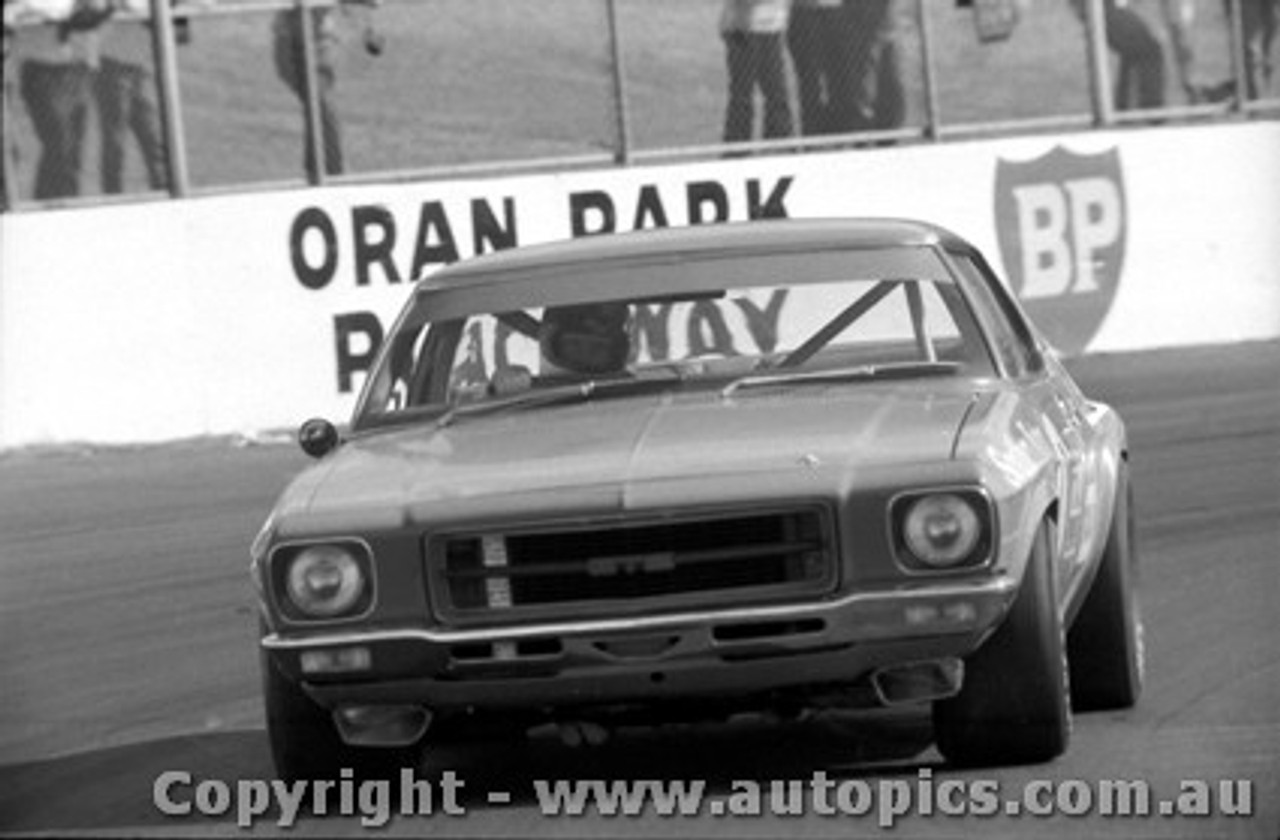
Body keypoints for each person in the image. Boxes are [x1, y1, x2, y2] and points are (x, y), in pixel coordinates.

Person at [9, 0, 111, 199]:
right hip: (42, 70)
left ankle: (66, 208)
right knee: (59, 143)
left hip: (80, 67)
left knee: (74, 149)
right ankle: (48, 207)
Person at [271, 0, 382, 179]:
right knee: (317, 107)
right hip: (292, 41)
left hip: (316, 42)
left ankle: (328, 172)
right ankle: (325, 172)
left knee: (319, 106)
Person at [94, 0, 175, 194]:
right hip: (112, 67)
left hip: (141, 68)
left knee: (154, 135)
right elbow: (131, 6)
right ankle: (113, 196)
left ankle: (164, 189)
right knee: (115, 140)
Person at [719, 0, 794, 146]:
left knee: (776, 92)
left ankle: (777, 143)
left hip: (771, 29)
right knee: (743, 94)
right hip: (745, 28)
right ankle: (738, 148)